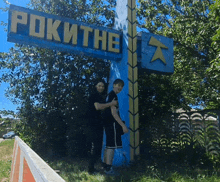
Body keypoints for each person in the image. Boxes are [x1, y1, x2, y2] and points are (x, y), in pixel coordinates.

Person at [87, 80, 117, 174]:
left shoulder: (101, 97)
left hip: (99, 124)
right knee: (96, 146)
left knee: (99, 146)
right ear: (95, 86)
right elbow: (98, 107)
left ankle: (99, 167)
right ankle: (91, 169)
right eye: (99, 86)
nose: (101, 88)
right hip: (93, 124)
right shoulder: (94, 96)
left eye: (103, 86)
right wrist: (111, 104)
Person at [102, 79, 129, 175]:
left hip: (108, 124)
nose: (120, 87)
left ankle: (105, 166)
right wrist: (123, 126)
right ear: (114, 85)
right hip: (112, 124)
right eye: (118, 85)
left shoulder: (109, 95)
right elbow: (114, 113)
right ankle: (109, 169)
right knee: (111, 147)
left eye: (122, 86)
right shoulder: (113, 96)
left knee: (108, 146)